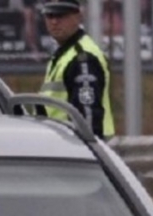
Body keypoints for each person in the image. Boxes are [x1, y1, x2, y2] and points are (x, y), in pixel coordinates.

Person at [38, 0, 115, 139]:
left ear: (78, 17)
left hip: (77, 145)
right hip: (62, 141)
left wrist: (86, 149)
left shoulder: (82, 57)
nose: (54, 22)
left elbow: (88, 113)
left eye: (61, 16)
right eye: (50, 16)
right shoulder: (64, 54)